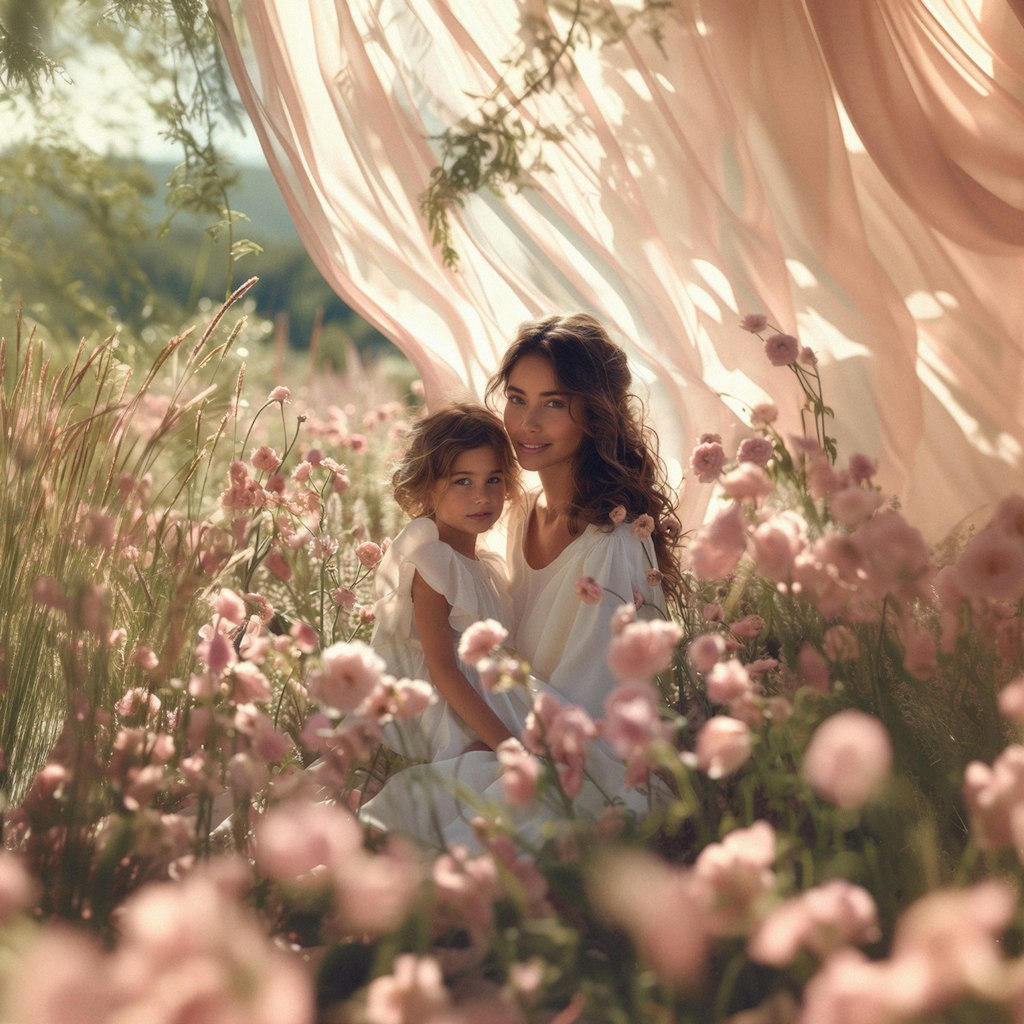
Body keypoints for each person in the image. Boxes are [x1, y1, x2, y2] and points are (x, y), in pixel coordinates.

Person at [485, 312, 683, 720]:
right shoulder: (523, 511)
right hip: (513, 730)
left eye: (553, 403)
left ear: (595, 413)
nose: (527, 423)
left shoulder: (613, 542)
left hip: (580, 756)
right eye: (517, 398)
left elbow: (595, 711)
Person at [368, 402, 532, 763]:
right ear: (428, 489)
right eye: (463, 481)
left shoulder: (484, 567)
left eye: (494, 479)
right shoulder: (433, 560)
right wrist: (507, 746)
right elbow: (442, 669)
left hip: (490, 695)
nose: (482, 496)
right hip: (448, 711)